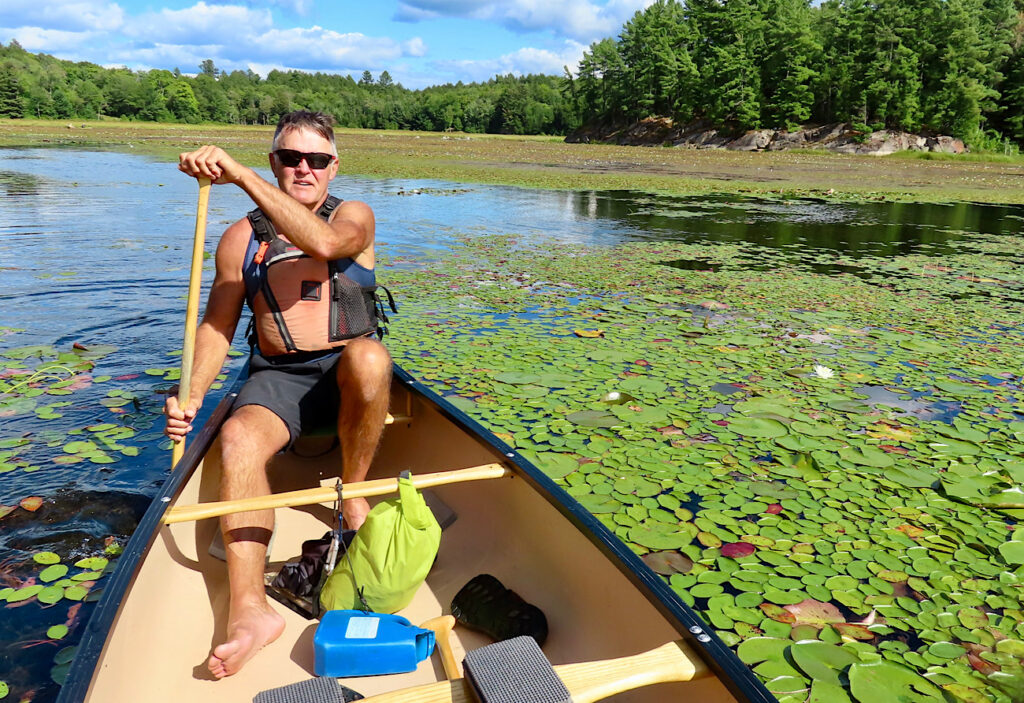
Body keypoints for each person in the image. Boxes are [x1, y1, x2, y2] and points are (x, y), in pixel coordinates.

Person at [165, 110, 393, 679]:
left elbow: (320, 240)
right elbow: (218, 324)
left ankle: (355, 490)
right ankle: (250, 612)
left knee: (371, 356)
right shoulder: (241, 237)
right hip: (279, 376)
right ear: (276, 162)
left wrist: (239, 174)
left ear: (333, 166)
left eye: (316, 159)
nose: (303, 169)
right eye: (290, 158)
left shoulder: (355, 217)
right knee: (237, 437)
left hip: (346, 370)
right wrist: (190, 397)